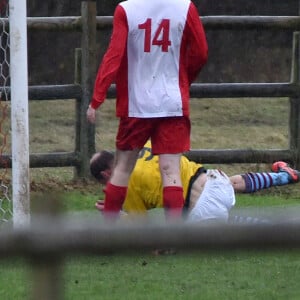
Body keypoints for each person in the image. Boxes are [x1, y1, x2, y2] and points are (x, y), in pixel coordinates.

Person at [86, 0, 208, 221]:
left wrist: (97, 98)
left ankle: (109, 235)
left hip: (136, 105)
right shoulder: (184, 7)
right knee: (171, 171)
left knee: (122, 168)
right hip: (172, 103)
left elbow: (114, 55)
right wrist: (182, 81)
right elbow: (201, 52)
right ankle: (172, 238)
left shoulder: (126, 9)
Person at [90, 142, 300, 223]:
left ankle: (282, 228)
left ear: (108, 174)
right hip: (216, 182)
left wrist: (116, 212)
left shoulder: (125, 184)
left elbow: (140, 227)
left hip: (202, 213)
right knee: (231, 183)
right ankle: (284, 176)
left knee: (224, 223)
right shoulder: (144, 143)